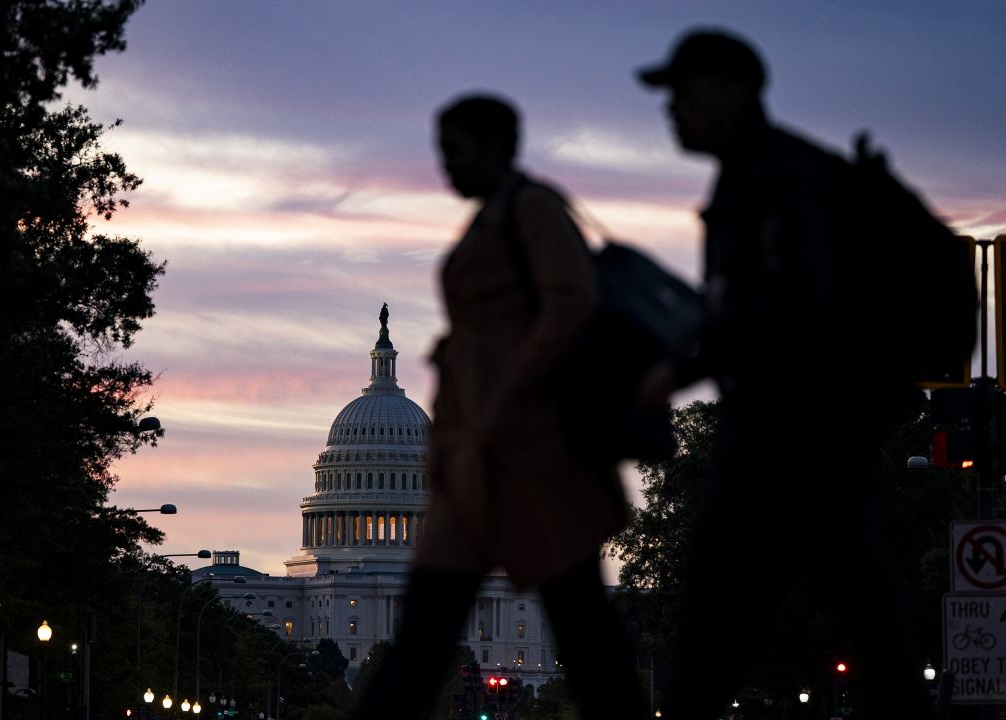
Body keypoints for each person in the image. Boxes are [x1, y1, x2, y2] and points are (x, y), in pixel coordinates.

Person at [637, 28, 926, 718]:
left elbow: (788, 302)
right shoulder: (761, 175)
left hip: (792, 426)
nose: (670, 109)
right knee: (842, 607)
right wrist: (682, 366)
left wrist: (687, 365)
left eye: (684, 94)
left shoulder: (781, 180)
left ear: (733, 93)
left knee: (729, 608)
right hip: (799, 427)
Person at [350, 94, 643, 720]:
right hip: (472, 465)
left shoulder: (535, 211)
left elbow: (571, 305)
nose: (444, 165)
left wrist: (509, 394)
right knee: (425, 636)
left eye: (455, 149)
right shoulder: (489, 222)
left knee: (583, 629)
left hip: (534, 458)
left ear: (497, 146)